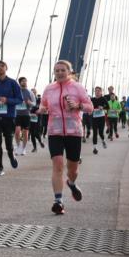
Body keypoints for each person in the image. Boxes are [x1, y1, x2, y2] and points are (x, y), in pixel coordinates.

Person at [39, 60, 94, 214]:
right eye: (57, 71)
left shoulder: (78, 87)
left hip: (73, 132)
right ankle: (58, 201)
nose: (60, 73)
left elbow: (90, 107)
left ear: (69, 72)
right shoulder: (49, 89)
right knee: (57, 165)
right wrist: (42, 109)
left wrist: (78, 106)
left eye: (63, 70)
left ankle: (71, 183)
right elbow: (43, 105)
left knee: (72, 169)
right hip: (54, 131)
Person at [14, 76, 35, 155]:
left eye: (25, 81)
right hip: (17, 114)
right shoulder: (16, 92)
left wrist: (30, 103)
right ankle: (18, 146)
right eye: (23, 81)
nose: (24, 82)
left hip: (26, 114)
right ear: (20, 83)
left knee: (25, 132)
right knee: (17, 131)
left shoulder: (30, 92)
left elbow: (34, 103)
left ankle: (23, 148)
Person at [89, 86, 108, 154]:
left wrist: (103, 107)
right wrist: (90, 110)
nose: (97, 92)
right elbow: (89, 106)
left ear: (101, 92)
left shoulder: (103, 98)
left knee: (100, 132)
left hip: (101, 117)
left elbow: (108, 106)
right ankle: (95, 148)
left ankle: (103, 141)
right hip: (94, 118)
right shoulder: (92, 99)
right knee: (95, 133)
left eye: (98, 91)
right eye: (96, 91)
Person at [28, 88, 44, 152]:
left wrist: (39, 109)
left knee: (36, 133)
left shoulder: (39, 99)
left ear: (36, 93)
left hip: (37, 118)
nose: (32, 93)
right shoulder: (28, 100)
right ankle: (35, 147)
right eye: (31, 92)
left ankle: (40, 141)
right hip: (31, 118)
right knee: (32, 133)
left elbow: (43, 106)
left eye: (34, 92)